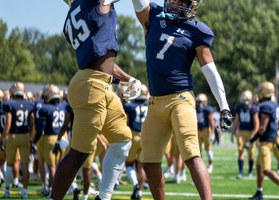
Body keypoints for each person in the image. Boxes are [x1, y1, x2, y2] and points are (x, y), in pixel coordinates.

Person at [131, 0, 233, 199]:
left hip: (181, 99)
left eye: (182, 0)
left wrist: (224, 106)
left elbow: (210, 72)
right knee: (149, 160)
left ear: (192, 5)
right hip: (154, 103)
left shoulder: (197, 30)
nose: (176, 3)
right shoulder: (153, 15)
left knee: (190, 153)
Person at [50, 0, 142, 199]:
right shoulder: (98, 4)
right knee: (79, 153)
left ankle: (104, 197)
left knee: (122, 140)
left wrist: (128, 78)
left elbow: (103, 60)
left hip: (97, 82)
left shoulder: (80, 8)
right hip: (93, 85)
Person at [246, 82, 279, 200]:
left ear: (264, 92)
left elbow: (262, 128)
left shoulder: (265, 106)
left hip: (265, 142)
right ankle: (259, 192)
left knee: (266, 170)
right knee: (258, 167)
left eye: (260, 90)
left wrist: (251, 140)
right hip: (271, 139)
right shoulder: (275, 105)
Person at [2, 82, 35, 199]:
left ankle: (7, 191)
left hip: (13, 136)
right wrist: (30, 135)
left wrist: (3, 138)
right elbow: (32, 122)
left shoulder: (9, 104)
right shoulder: (30, 104)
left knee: (10, 164)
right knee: (25, 164)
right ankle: (24, 192)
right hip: (25, 135)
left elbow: (8, 122)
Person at [122, 84, 149, 199]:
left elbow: (123, 113)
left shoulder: (130, 105)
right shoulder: (150, 105)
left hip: (134, 135)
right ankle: (140, 192)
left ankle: (136, 185)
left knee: (128, 164)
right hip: (146, 136)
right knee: (141, 166)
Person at [231, 90, 259, 179]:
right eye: (243, 98)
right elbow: (236, 121)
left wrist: (254, 134)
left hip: (250, 132)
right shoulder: (239, 108)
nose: (244, 100)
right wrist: (233, 131)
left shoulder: (253, 108)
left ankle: (250, 171)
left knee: (251, 153)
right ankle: (241, 172)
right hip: (241, 132)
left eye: (246, 98)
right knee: (240, 152)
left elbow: (256, 123)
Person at [196, 93, 215, 174]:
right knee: (198, 150)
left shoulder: (208, 109)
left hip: (206, 130)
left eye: (200, 101)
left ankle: (210, 165)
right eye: (198, 101)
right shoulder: (195, 109)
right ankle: (201, 166)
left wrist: (213, 133)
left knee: (208, 149)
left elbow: (212, 122)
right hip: (197, 130)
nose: (199, 103)